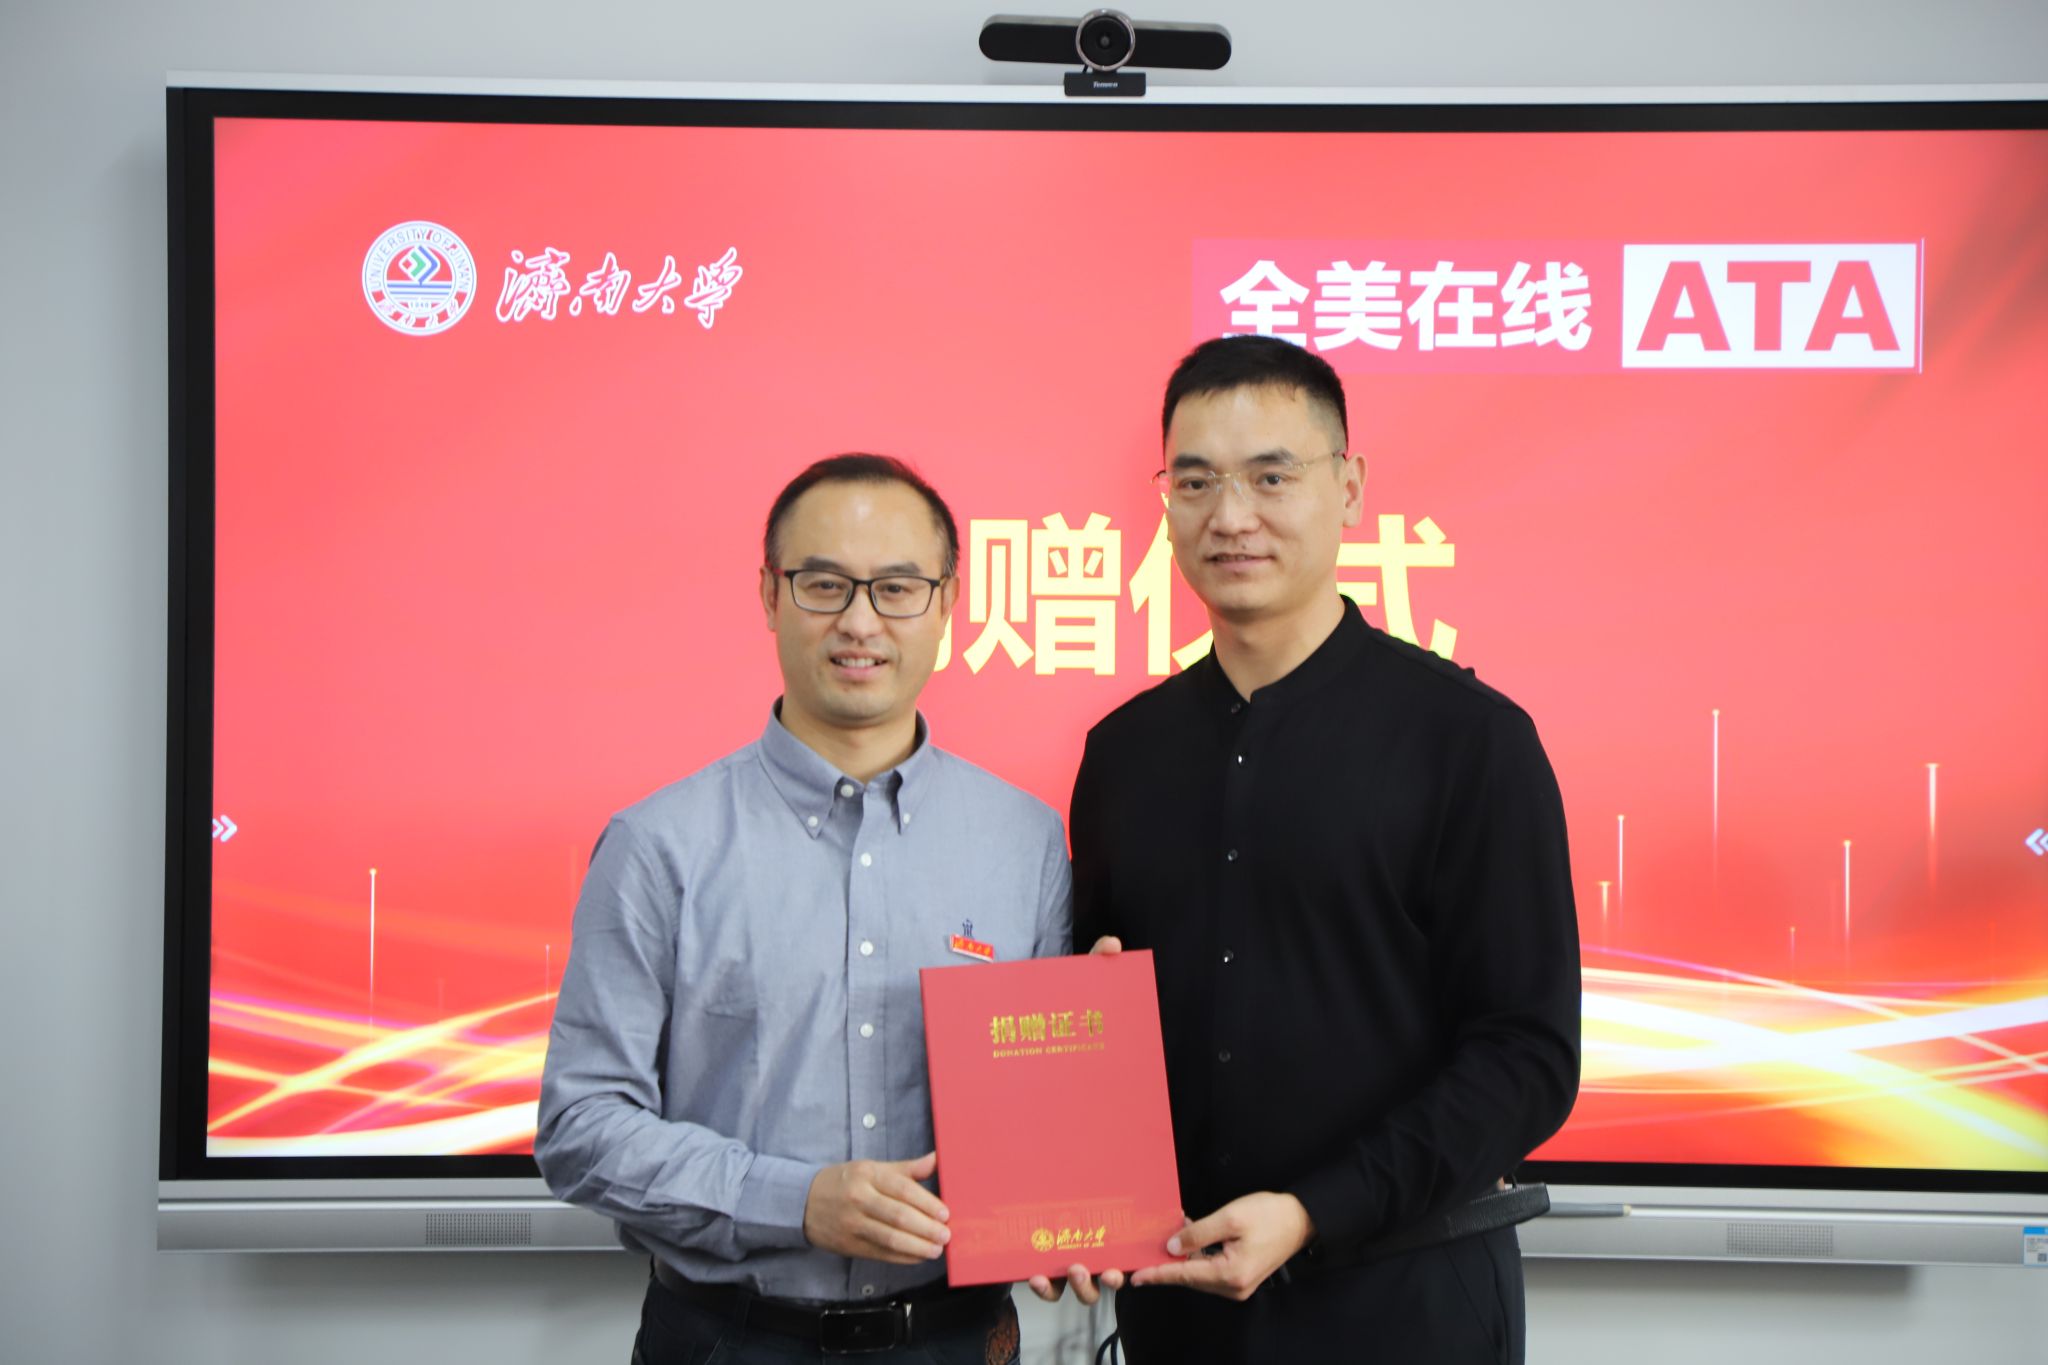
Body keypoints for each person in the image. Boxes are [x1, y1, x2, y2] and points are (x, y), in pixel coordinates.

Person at [1048, 337, 1580, 1363]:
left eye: (1270, 476)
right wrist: (1060, 1189)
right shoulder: (1122, 755)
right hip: (1183, 1315)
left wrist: (1314, 1209)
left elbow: (1528, 1056)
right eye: (1194, 481)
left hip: (1406, 1308)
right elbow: (1091, 1011)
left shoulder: (1469, 741)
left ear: (1349, 487)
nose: (1229, 515)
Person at [537, 454, 1071, 1364]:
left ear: (946, 602)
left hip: (955, 1338)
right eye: (824, 584)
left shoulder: (1026, 841)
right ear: (770, 594)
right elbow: (581, 1126)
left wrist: (1074, 1187)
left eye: (897, 587)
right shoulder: (659, 845)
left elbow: (1043, 1115)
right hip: (727, 1339)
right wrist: (795, 1200)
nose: (860, 621)